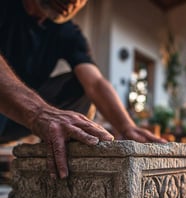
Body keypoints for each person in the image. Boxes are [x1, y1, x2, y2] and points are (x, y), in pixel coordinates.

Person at [0, 0, 166, 180]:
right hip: (18, 110)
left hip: (11, 123)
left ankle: (58, 172)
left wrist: (127, 127)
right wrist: (38, 112)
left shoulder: (66, 31)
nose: (74, 2)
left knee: (81, 88)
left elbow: (94, 83)